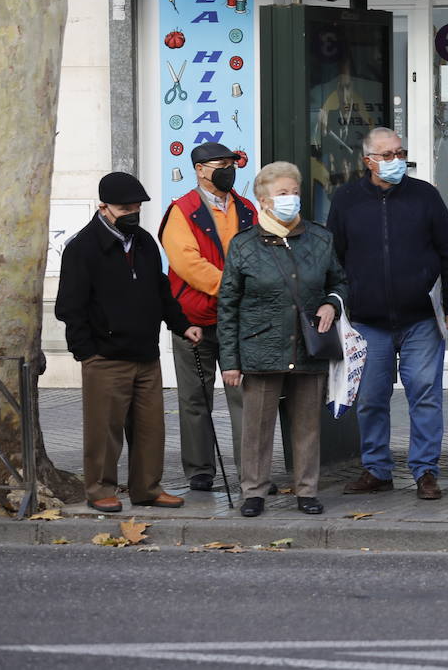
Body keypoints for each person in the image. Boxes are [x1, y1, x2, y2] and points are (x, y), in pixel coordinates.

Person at [327, 127, 448, 500]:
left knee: (425, 395)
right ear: (368, 160)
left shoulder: (425, 197)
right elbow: (334, 258)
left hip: (420, 317)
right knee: (371, 398)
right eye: (387, 155)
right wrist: (339, 303)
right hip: (368, 320)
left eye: (399, 153)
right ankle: (377, 469)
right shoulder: (346, 199)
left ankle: (425, 472)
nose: (395, 161)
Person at [55, 173, 202, 513]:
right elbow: (70, 307)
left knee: (151, 429)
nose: (133, 212)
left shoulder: (145, 242)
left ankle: (147, 488)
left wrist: (183, 325)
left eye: (137, 206)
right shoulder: (83, 248)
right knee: (104, 432)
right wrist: (86, 353)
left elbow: (161, 291)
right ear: (103, 207)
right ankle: (100, 489)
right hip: (104, 358)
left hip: (146, 355)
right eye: (125, 207)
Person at [217, 162, 347, 518]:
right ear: (263, 200)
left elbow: (339, 282)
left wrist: (331, 303)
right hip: (260, 345)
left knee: (307, 425)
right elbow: (227, 305)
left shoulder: (320, 238)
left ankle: (307, 490)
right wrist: (229, 361)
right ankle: (254, 491)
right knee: (256, 427)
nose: (291, 199)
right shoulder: (243, 245)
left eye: (294, 192)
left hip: (309, 345)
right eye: (282, 193)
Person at [160, 141, 255, 492]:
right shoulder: (181, 210)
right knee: (195, 399)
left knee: (245, 398)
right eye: (220, 164)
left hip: (239, 320)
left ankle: (252, 471)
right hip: (195, 319)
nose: (227, 169)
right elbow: (186, 263)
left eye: (231, 163)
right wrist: (232, 288)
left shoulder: (246, 208)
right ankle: (199, 471)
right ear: (200, 169)